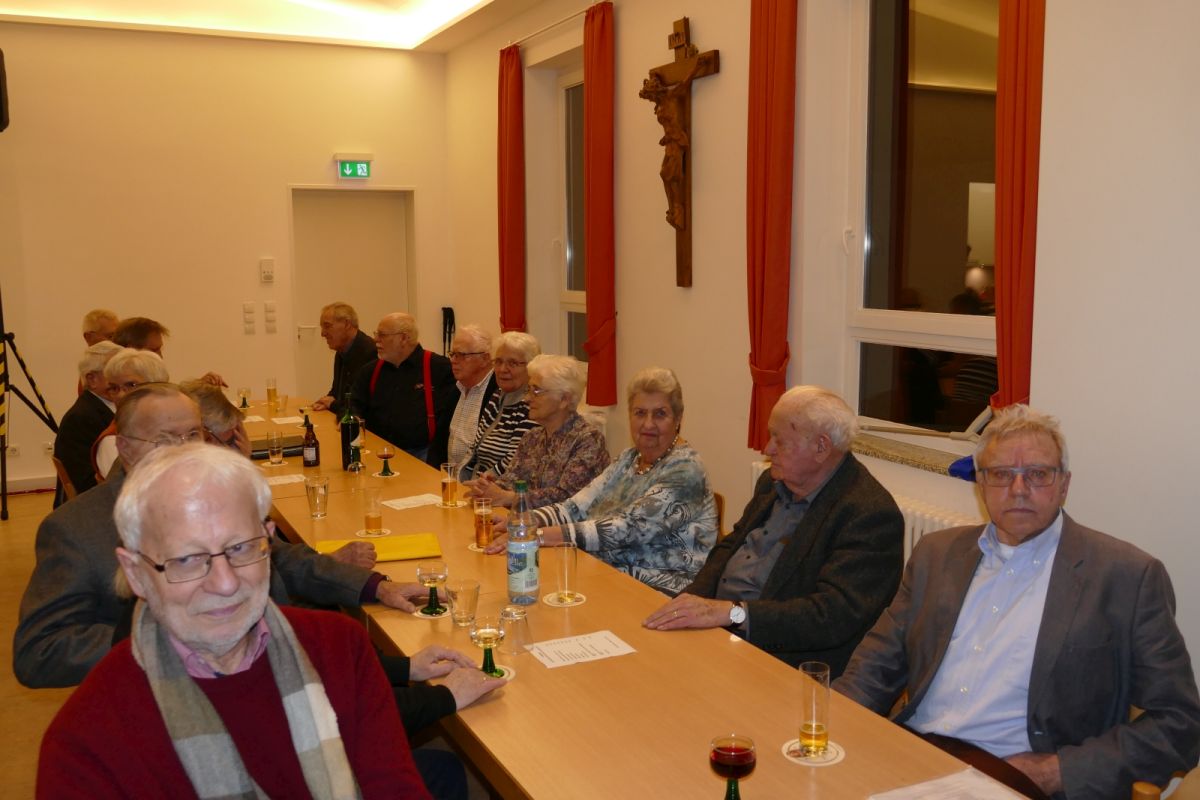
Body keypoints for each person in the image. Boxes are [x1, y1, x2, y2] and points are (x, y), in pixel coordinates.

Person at [834, 405, 1200, 799]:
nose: (1019, 489)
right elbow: (877, 663)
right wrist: (828, 721)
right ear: (980, 484)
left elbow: (1179, 723)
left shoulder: (1126, 576)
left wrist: (1054, 771)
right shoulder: (936, 554)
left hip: (1016, 778)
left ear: (1064, 484)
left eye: (1038, 474)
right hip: (915, 753)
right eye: (1001, 474)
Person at [37, 443, 432, 798]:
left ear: (269, 539)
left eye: (241, 548)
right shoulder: (86, 741)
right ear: (136, 573)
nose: (225, 583)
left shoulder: (340, 648)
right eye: (187, 559)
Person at [643, 386, 903, 674]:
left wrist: (733, 613)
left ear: (821, 447)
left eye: (780, 440)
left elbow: (830, 617)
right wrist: (691, 601)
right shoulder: (773, 482)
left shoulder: (869, 514)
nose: (768, 449)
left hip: (782, 659)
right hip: (721, 632)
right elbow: (731, 546)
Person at [486, 367, 717, 596]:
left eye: (660, 414)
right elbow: (576, 506)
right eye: (639, 413)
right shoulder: (629, 458)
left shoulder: (686, 470)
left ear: (678, 418)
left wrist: (537, 536)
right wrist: (525, 520)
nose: (648, 424)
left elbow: (627, 528)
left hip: (657, 591)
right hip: (604, 573)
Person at [467, 354, 609, 508]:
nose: (527, 399)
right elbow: (511, 480)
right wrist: (487, 488)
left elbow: (568, 498)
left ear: (564, 399)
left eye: (536, 391)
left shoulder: (588, 440)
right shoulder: (532, 437)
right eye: (528, 390)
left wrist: (510, 498)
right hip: (524, 520)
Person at [351, 312, 455, 466]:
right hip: (378, 451)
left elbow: (449, 417)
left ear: (404, 338)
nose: (376, 340)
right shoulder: (371, 371)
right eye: (376, 334)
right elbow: (354, 403)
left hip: (423, 454)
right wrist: (353, 418)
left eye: (382, 335)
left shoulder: (439, 368)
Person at [457, 331, 539, 480]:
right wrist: (460, 478)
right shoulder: (498, 395)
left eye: (512, 363)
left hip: (501, 487)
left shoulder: (532, 404)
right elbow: (475, 448)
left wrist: (478, 484)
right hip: (478, 483)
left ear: (531, 367)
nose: (502, 369)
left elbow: (515, 461)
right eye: (498, 362)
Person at [53, 341, 121, 501]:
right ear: (92, 379)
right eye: (115, 372)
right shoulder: (81, 418)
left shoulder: (106, 407)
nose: (123, 378)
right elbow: (86, 483)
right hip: (98, 502)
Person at [91, 347, 171, 480]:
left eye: (131, 385)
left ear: (157, 386)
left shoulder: (176, 425)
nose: (120, 395)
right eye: (114, 388)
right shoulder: (112, 441)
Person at [311, 301, 377, 415]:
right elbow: (337, 392)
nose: (323, 333)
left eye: (327, 326)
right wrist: (325, 401)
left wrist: (332, 404)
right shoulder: (342, 350)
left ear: (346, 324)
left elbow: (361, 406)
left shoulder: (370, 352)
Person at [446, 323, 497, 467]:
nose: (453, 360)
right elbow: (440, 439)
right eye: (452, 354)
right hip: (448, 474)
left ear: (485, 359)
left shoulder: (498, 392)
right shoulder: (456, 388)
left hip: (477, 477)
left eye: (461, 355)